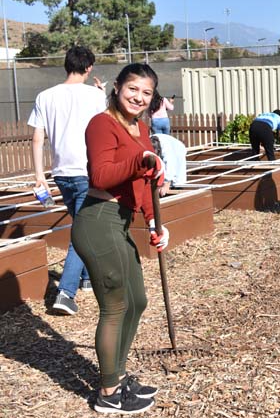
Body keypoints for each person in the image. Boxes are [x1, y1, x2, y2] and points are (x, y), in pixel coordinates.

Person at [71, 63, 168, 414]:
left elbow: (143, 186)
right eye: (133, 89)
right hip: (99, 221)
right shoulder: (102, 124)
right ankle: (108, 393)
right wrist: (141, 161)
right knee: (115, 306)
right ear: (117, 87)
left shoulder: (140, 128)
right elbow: (100, 174)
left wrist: (156, 221)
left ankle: (119, 373)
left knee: (137, 300)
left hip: (122, 222)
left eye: (146, 92)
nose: (138, 97)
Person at [27, 45, 107, 315]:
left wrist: (40, 175)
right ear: (89, 68)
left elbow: (38, 138)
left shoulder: (45, 96)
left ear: (66, 65)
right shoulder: (96, 96)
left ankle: (85, 279)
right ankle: (65, 292)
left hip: (60, 172)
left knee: (80, 224)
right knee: (82, 231)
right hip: (87, 171)